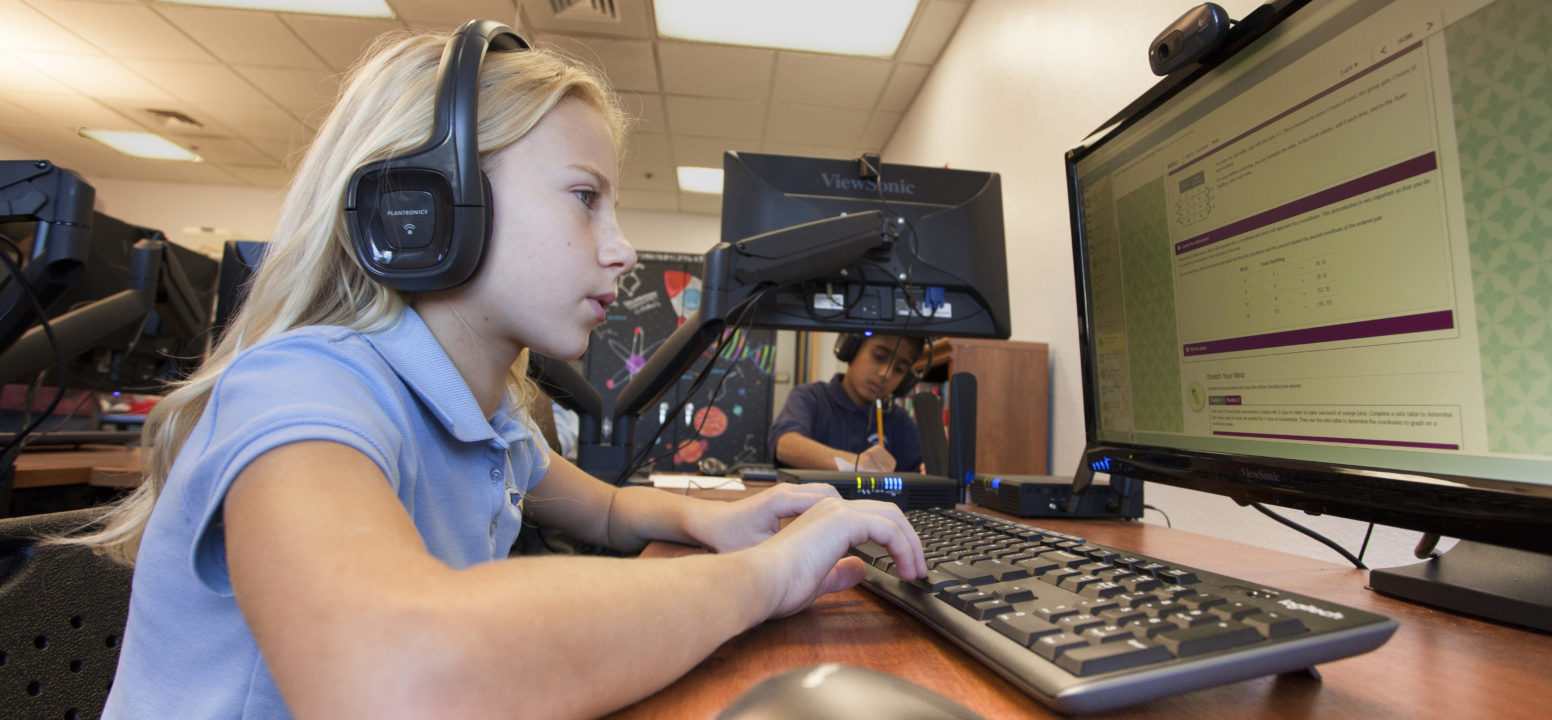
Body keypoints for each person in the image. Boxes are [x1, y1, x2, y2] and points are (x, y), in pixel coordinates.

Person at [55, 21, 925, 720]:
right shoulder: (308, 388)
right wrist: (766, 576)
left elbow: (614, 510)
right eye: (586, 198)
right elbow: (396, 676)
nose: (621, 251)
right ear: (427, 206)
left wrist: (730, 521)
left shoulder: (492, 420)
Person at [769, 332, 924, 473]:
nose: (885, 374)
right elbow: (785, 445)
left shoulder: (901, 421)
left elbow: (920, 472)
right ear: (851, 351)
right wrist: (857, 463)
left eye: (899, 369)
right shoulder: (810, 397)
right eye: (879, 356)